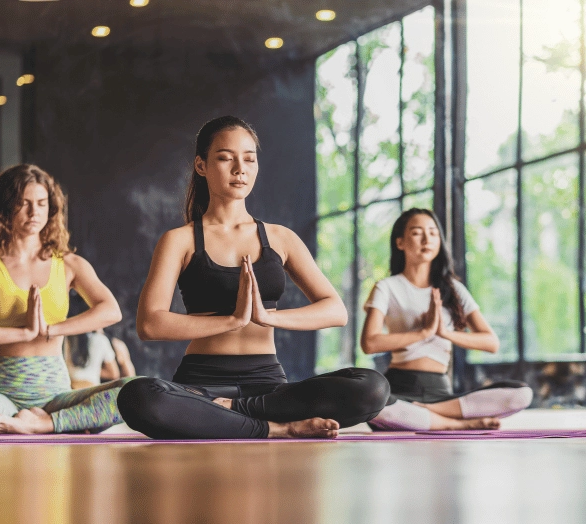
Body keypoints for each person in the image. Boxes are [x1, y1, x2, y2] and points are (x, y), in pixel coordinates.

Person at [116, 116, 389, 439]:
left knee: (372, 388)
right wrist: (232, 320)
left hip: (267, 388)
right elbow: (150, 324)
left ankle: (236, 413)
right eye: (225, 158)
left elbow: (335, 310)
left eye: (249, 158)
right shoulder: (180, 240)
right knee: (138, 397)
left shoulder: (280, 238)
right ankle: (274, 428)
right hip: (201, 384)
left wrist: (266, 317)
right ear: (201, 166)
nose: (239, 169)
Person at [0, 164, 130, 434]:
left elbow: (110, 311)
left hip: (56, 398)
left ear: (51, 208)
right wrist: (24, 333)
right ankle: (39, 422)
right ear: (4, 208)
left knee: (133, 391)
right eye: (23, 203)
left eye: (41, 203)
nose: (34, 212)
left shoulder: (69, 264)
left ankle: (43, 424)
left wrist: (50, 329)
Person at [360, 208, 532, 430]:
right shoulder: (387, 287)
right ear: (400, 242)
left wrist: (445, 333)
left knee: (522, 394)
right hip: (399, 388)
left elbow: (491, 342)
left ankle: (426, 413)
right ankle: (455, 424)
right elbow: (370, 343)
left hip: (442, 393)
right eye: (416, 232)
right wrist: (423, 333)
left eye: (433, 233)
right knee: (372, 403)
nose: (426, 239)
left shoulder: (454, 289)